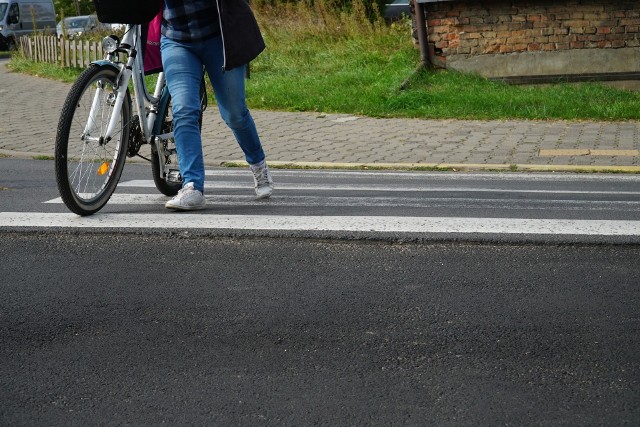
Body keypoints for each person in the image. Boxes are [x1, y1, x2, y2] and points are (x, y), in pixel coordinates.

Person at [160, 0, 273, 210]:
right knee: (184, 110)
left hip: (220, 37)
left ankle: (258, 165)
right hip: (177, 39)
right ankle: (192, 187)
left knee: (234, 113)